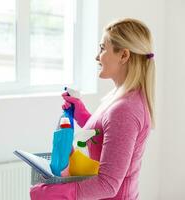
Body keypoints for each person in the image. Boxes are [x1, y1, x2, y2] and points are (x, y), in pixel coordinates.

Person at [30, 18, 155, 200]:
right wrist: (81, 113)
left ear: (124, 55)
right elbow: (107, 136)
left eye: (103, 48)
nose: (97, 57)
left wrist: (54, 193)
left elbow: (108, 184)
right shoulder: (122, 97)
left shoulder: (124, 109)